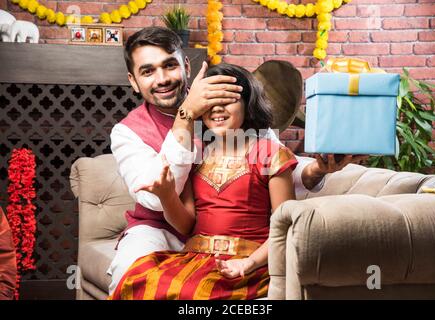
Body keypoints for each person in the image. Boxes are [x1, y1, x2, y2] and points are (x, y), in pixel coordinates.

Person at [107, 26, 366, 295]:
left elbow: (272, 161)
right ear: (134, 81)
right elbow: (152, 197)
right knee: (132, 276)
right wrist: (186, 114)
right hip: (159, 228)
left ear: (185, 66)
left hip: (238, 239)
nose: (162, 79)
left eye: (169, 65)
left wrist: (316, 169)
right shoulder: (126, 131)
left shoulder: (225, 100)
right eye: (147, 71)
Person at [110, 63, 298, 300]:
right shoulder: (194, 155)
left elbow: (286, 228)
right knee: (137, 280)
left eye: (227, 99)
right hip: (197, 259)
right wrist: (167, 196)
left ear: (247, 104)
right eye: (209, 101)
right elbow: (187, 226)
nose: (217, 108)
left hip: (248, 262)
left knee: (191, 293)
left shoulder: (270, 154)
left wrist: (248, 263)